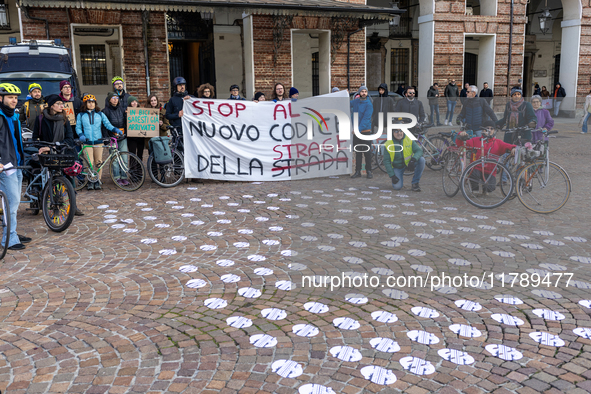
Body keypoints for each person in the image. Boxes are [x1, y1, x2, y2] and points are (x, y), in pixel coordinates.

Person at [32, 94, 84, 216]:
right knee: (45, 177)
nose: (62, 106)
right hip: (47, 155)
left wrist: (56, 145)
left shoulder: (65, 119)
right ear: (51, 106)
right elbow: (35, 138)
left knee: (69, 177)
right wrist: (42, 148)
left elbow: (70, 138)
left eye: (62, 104)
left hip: (62, 152)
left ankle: (73, 205)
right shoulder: (40, 119)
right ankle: (46, 201)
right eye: (59, 104)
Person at [0, 83, 31, 250]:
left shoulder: (14, 116)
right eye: (10, 97)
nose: (14, 100)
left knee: (15, 202)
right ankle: (9, 239)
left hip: (17, 164)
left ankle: (12, 231)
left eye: (16, 97)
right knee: (11, 203)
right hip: (5, 166)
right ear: (1, 98)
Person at [76, 94, 121, 190]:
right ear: (85, 103)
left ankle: (97, 180)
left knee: (98, 162)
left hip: (98, 142)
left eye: (93, 102)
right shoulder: (81, 115)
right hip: (87, 142)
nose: (91, 104)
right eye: (89, 102)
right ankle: (90, 180)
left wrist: (115, 129)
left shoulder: (100, 114)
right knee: (90, 162)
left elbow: (107, 124)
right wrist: (81, 135)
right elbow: (78, 127)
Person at [456, 123, 517, 191]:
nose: (489, 130)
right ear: (483, 130)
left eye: (491, 129)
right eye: (487, 128)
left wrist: (513, 148)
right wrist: (461, 135)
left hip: (489, 171)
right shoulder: (475, 140)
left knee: (490, 188)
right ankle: (475, 188)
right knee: (473, 174)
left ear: (494, 131)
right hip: (476, 168)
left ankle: (484, 187)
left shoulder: (498, 142)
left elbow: (507, 146)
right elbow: (461, 145)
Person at [102, 91, 129, 187]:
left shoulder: (122, 109)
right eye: (113, 98)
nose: (115, 100)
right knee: (114, 160)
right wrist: (106, 138)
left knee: (124, 157)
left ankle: (124, 177)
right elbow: (104, 126)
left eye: (117, 98)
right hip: (112, 138)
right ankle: (117, 177)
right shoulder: (105, 111)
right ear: (109, 100)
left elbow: (126, 122)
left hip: (122, 137)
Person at [350, 85, 374, 179]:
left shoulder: (369, 104)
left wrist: (357, 130)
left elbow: (366, 119)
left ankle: (369, 171)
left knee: (367, 152)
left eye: (365, 91)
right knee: (358, 152)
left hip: (365, 131)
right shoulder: (356, 102)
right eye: (362, 91)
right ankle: (357, 171)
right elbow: (346, 104)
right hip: (357, 132)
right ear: (359, 93)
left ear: (367, 93)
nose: (364, 93)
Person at [126, 96, 146, 163]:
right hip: (131, 137)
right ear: (129, 103)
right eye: (132, 102)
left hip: (140, 136)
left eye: (135, 101)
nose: (134, 103)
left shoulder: (142, 112)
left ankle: (139, 170)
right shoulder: (126, 112)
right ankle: (133, 170)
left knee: (140, 154)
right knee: (132, 154)